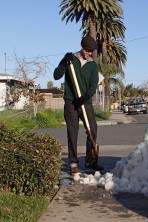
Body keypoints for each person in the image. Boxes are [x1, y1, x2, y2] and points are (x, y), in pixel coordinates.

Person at [53, 35, 102, 175]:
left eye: (91, 51)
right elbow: (56, 75)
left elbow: (93, 85)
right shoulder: (70, 60)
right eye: (87, 50)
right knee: (72, 132)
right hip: (70, 102)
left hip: (85, 102)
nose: (89, 53)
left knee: (92, 128)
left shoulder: (93, 65)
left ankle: (91, 161)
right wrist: (63, 63)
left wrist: (85, 97)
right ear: (82, 47)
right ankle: (73, 163)